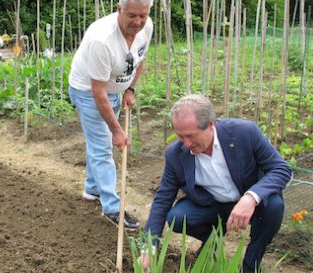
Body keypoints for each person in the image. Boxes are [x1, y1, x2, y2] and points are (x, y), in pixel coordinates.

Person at [142, 95, 292, 272]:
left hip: (251, 203)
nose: (186, 143)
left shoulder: (244, 133)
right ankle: (211, 244)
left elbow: (281, 169)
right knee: (178, 217)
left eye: (190, 136)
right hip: (213, 204)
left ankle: (251, 264)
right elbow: (163, 198)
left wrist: (251, 197)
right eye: (180, 136)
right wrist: (148, 248)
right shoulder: (175, 154)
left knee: (273, 206)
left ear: (211, 125)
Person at [68, 0, 153, 230]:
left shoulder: (146, 27)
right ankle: (112, 208)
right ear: (119, 9)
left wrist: (130, 89)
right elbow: (98, 91)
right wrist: (116, 130)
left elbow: (139, 60)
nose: (138, 22)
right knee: (103, 147)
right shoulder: (102, 40)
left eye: (143, 16)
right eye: (132, 15)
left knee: (98, 144)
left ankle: (92, 189)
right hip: (88, 93)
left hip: (113, 91)